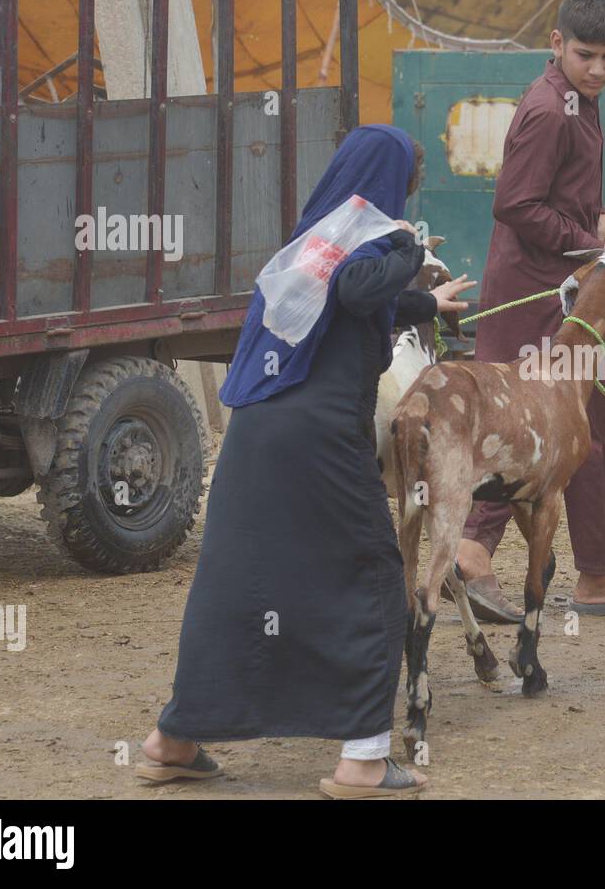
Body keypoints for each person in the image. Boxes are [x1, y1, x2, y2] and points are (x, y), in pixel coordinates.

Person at [137, 124, 473, 798]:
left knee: (234, 580)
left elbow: (345, 299)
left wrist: (425, 303)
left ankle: (172, 739)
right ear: (386, 184)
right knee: (376, 572)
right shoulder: (378, 239)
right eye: (410, 178)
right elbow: (358, 287)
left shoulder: (309, 242)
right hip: (319, 438)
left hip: (256, 431)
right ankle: (364, 762)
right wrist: (410, 248)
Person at [453, 0, 605, 621]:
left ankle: (585, 571)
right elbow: (516, 204)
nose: (600, 68)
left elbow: (565, 190)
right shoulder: (551, 109)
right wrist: (595, 252)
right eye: (586, 55)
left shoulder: (582, 99)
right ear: (557, 44)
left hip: (573, 291)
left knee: (601, 424)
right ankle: (479, 552)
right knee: (535, 427)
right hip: (539, 296)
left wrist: (598, 217)